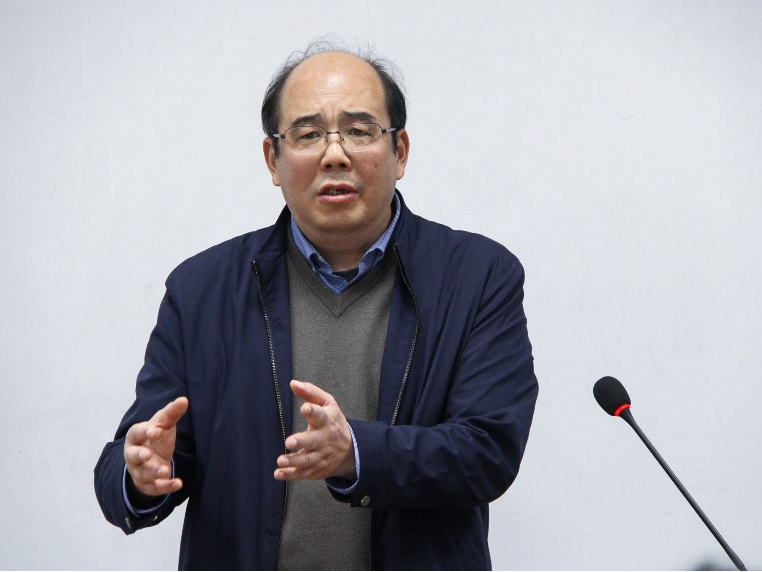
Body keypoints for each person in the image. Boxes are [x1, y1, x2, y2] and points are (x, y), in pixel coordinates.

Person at [94, 40, 539, 571]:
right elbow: (132, 459)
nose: (334, 154)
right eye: (307, 135)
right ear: (273, 159)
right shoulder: (201, 290)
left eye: (359, 131)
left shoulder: (477, 276)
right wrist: (139, 474)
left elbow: (487, 452)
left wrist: (357, 454)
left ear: (400, 152)